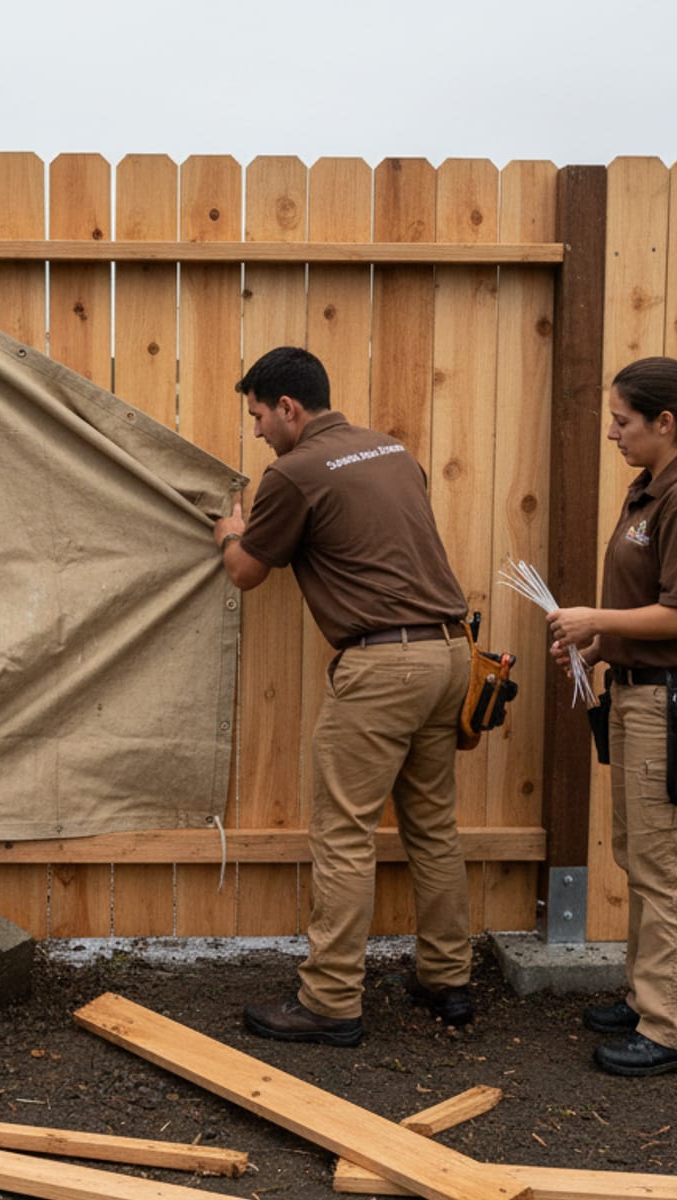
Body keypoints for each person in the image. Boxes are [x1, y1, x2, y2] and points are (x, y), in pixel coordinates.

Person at [213, 346, 475, 1047]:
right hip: (453, 653)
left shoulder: (294, 474)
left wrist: (233, 531)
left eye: (260, 416)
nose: (259, 431)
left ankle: (330, 1001)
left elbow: (245, 573)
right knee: (432, 826)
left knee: (345, 834)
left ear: (290, 408)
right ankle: (448, 979)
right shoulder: (392, 451)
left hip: (383, 667)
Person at [547, 355, 677, 1077]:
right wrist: (601, 645)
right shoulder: (652, 489)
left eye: (622, 420)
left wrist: (595, 615)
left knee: (668, 868)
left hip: (675, 702)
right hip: (638, 691)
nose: (611, 433)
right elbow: (653, 604)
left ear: (665, 423)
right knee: (640, 855)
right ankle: (649, 995)